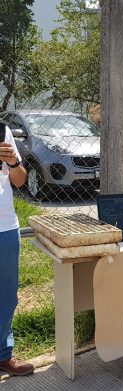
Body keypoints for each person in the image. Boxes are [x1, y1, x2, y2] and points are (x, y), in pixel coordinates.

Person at [0, 123, 34, 376]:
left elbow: (20, 181)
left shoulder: (3, 130)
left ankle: (3, 355)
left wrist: (12, 162)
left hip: (5, 226)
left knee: (7, 296)